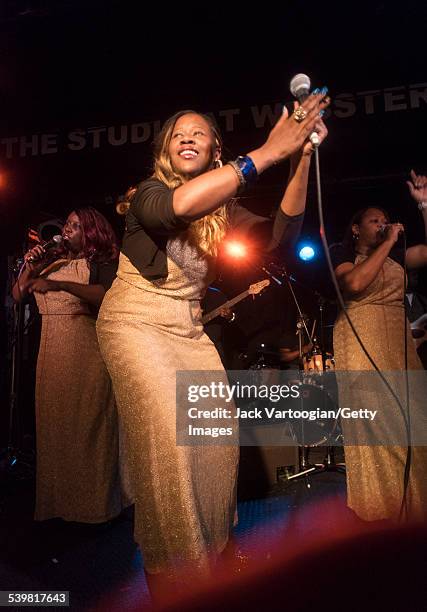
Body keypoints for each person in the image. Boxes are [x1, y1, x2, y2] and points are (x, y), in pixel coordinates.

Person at [96, 96, 329, 586]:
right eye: (178, 132)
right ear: (164, 148)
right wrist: (265, 153)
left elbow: (281, 233)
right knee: (171, 455)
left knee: (216, 443)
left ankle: (217, 557)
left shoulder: (225, 211)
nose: (186, 137)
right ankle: (176, 577)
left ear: (215, 148)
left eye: (198, 132)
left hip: (189, 328)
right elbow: (176, 208)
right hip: (136, 324)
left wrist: (301, 156)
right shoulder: (150, 192)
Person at [12, 207, 127, 524]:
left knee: (88, 427)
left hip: (86, 347)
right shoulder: (52, 260)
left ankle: (95, 508)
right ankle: (61, 504)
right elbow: (19, 294)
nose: (69, 229)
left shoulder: (104, 260)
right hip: (52, 349)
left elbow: (104, 296)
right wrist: (31, 266)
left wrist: (62, 286)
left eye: (77, 225)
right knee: (56, 425)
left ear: (91, 231)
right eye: (68, 224)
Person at [330, 170, 427, 522]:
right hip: (361, 336)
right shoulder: (342, 255)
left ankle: (417, 509)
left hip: (398, 339)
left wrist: (424, 205)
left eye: (386, 221)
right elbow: (354, 284)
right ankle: (384, 514)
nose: (383, 225)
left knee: (415, 423)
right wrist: (388, 242)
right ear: (356, 229)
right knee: (380, 427)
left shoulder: (397, 258)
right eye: (375, 221)